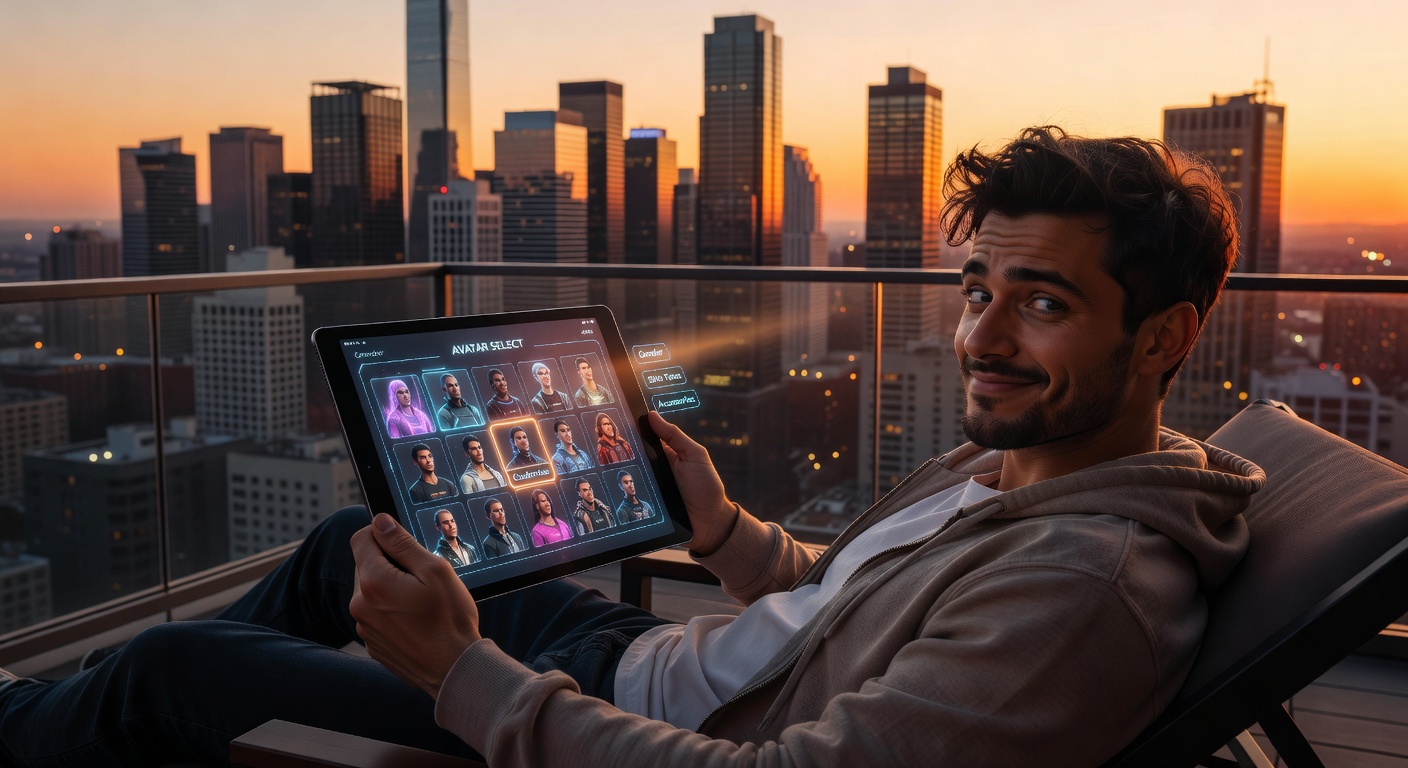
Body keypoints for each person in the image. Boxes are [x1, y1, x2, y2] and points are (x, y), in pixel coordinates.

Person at [0, 127, 1258, 768]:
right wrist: (721, 531)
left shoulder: (1084, 585)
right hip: (650, 656)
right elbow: (855, 605)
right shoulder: (1015, 469)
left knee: (177, 660)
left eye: (1041, 302)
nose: (982, 334)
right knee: (351, 540)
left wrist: (462, 677)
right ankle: (59, 719)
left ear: (1163, 337)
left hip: (615, 724)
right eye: (976, 287)